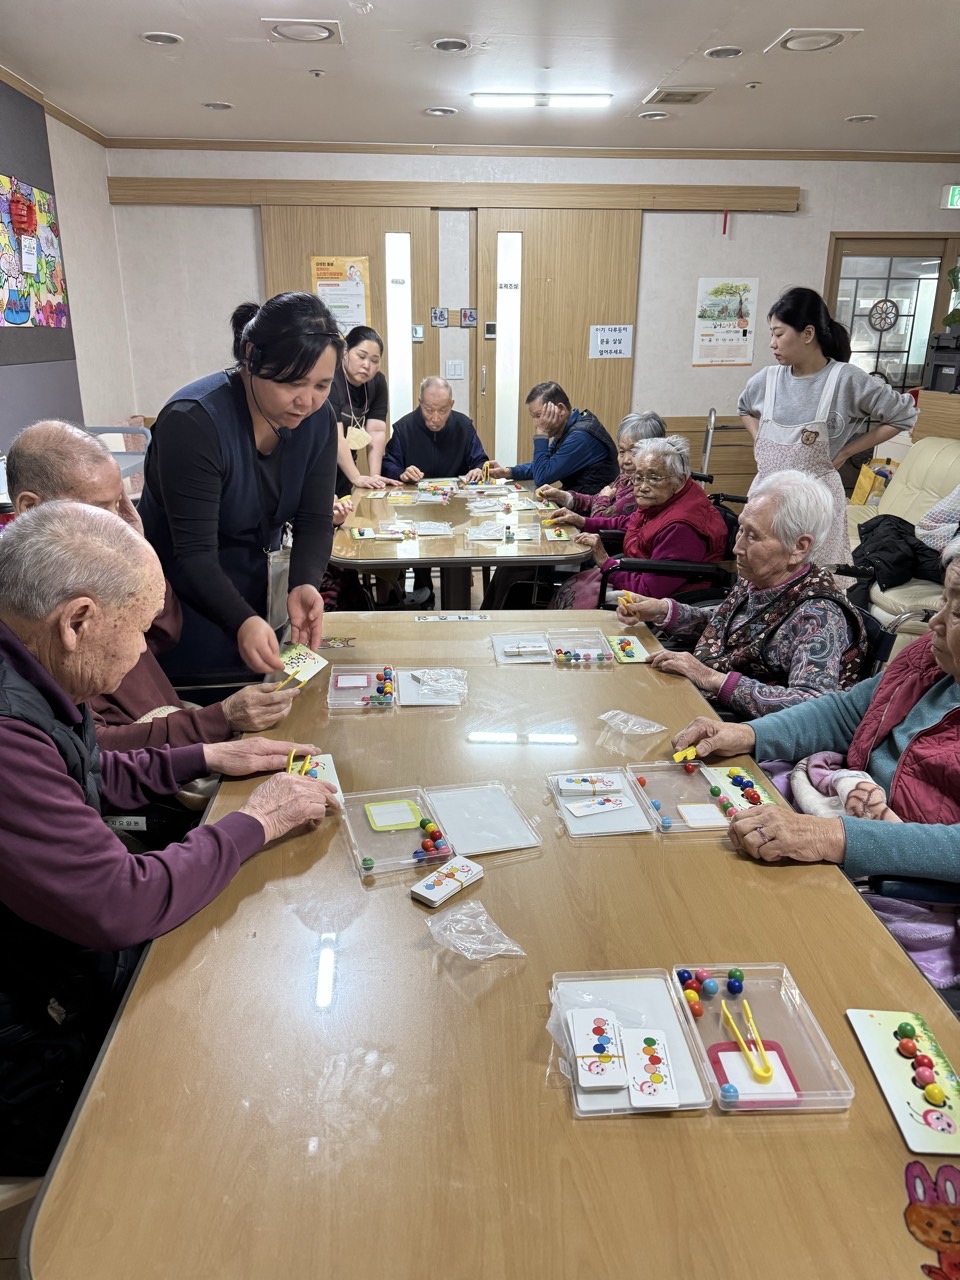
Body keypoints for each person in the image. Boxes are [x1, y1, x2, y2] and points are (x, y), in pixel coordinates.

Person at [0, 502, 338, 1171]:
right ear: (77, 622)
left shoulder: (35, 672)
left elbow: (84, 772)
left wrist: (205, 756)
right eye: (138, 631)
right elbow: (120, 900)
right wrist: (259, 820)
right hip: (28, 1049)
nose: (142, 653)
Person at [670, 536, 960, 987]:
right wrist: (749, 734)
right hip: (837, 813)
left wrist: (833, 836)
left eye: (958, 610)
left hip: (894, 878)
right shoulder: (930, 657)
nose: (935, 621)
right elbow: (848, 713)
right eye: (943, 599)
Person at [6, 420, 300, 749]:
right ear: (31, 508)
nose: (118, 522)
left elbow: (162, 634)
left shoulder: (92, 564)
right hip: (153, 757)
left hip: (174, 733)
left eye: (119, 504)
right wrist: (220, 719)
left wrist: (136, 557)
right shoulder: (34, 606)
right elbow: (91, 752)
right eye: (99, 509)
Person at [138, 293, 343, 683]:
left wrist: (304, 582)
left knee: (275, 694)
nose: (307, 401)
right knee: (209, 705)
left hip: (257, 590)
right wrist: (241, 620)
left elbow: (314, 520)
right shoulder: (193, 422)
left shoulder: (318, 420)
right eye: (293, 383)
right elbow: (193, 554)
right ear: (251, 357)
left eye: (322, 385)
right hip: (186, 601)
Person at [616, 471, 867, 717]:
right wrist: (663, 611)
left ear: (798, 547)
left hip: (729, 724)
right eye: (741, 530)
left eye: (753, 536)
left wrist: (709, 677)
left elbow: (812, 707)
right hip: (695, 698)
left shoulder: (819, 615)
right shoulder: (760, 578)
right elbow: (727, 629)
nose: (737, 547)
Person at [739, 286, 917, 571]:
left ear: (808, 334)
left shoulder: (845, 379)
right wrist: (759, 437)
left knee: (814, 579)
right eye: (771, 334)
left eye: (779, 334)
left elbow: (902, 416)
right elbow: (745, 409)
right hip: (766, 501)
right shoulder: (767, 379)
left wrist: (846, 451)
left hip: (816, 508)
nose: (772, 343)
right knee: (759, 573)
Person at [481, 412, 665, 609]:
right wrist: (565, 496)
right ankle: (490, 618)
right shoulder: (625, 478)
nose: (626, 460)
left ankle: (504, 619)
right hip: (591, 542)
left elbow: (600, 516)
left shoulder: (641, 489)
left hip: (601, 553)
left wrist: (602, 499)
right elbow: (594, 501)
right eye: (621, 451)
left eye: (634, 452)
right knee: (511, 564)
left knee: (517, 567)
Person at [558, 436, 728, 607]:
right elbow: (630, 522)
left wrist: (604, 560)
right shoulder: (662, 500)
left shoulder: (682, 526)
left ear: (680, 480)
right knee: (575, 584)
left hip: (663, 599)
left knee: (577, 599)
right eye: (638, 478)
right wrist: (582, 521)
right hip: (639, 570)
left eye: (654, 478)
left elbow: (648, 590)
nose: (643, 487)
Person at [486, 381, 618, 494]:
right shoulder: (567, 430)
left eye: (539, 416)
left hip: (593, 509)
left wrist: (542, 433)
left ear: (560, 409)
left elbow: (542, 477)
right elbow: (543, 465)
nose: (536, 424)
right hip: (577, 500)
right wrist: (508, 472)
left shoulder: (580, 437)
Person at [329, 326, 399, 494]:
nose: (367, 365)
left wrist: (375, 476)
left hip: (346, 467)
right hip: (320, 464)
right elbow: (336, 437)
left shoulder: (378, 382)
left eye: (374, 360)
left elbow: (376, 430)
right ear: (345, 351)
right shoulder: (331, 378)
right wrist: (356, 477)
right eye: (361, 356)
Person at [382, 377, 487, 483]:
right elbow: (388, 465)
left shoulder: (464, 427)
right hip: (414, 491)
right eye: (428, 410)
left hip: (455, 491)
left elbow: (480, 460)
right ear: (420, 403)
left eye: (443, 410)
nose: (435, 418)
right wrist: (401, 474)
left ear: (451, 404)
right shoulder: (404, 428)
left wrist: (478, 469)